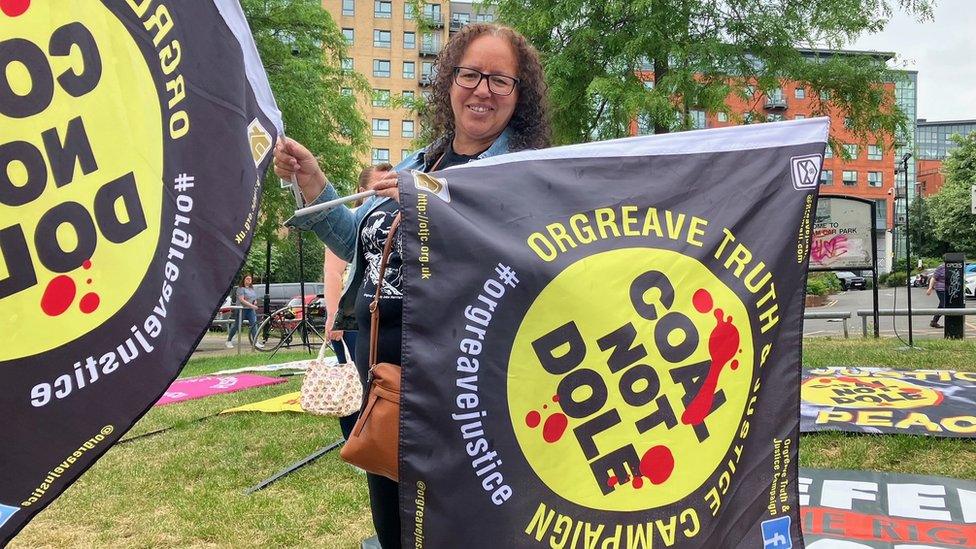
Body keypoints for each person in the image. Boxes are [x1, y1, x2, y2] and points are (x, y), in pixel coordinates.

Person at [275, 23, 550, 549]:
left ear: (521, 95)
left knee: (454, 511)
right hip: (375, 357)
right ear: (450, 81)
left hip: (450, 370)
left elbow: (517, 265)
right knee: (391, 508)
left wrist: (427, 206)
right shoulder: (419, 162)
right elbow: (360, 240)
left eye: (500, 80)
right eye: (470, 74)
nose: (482, 90)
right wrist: (314, 183)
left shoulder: (520, 173)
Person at [324, 164, 391, 439]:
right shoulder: (351, 221)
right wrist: (333, 316)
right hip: (351, 318)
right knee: (353, 383)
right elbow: (332, 272)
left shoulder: (390, 219)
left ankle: (374, 441)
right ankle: (354, 440)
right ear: (362, 192)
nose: (385, 193)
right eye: (379, 187)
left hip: (376, 315)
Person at [226, 274, 262, 348]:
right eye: (247, 279)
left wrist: (254, 302)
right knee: (237, 325)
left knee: (254, 325)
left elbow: (253, 298)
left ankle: (255, 341)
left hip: (250, 310)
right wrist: (252, 305)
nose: (249, 280)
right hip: (242, 309)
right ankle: (229, 340)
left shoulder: (251, 289)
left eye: (250, 279)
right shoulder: (240, 289)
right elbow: (242, 300)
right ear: (244, 280)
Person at [927, 263, 946, 328]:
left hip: (950, 290)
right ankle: (951, 323)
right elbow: (933, 278)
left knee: (941, 305)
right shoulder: (941, 267)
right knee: (945, 305)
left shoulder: (954, 267)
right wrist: (930, 288)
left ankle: (934, 321)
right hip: (941, 289)